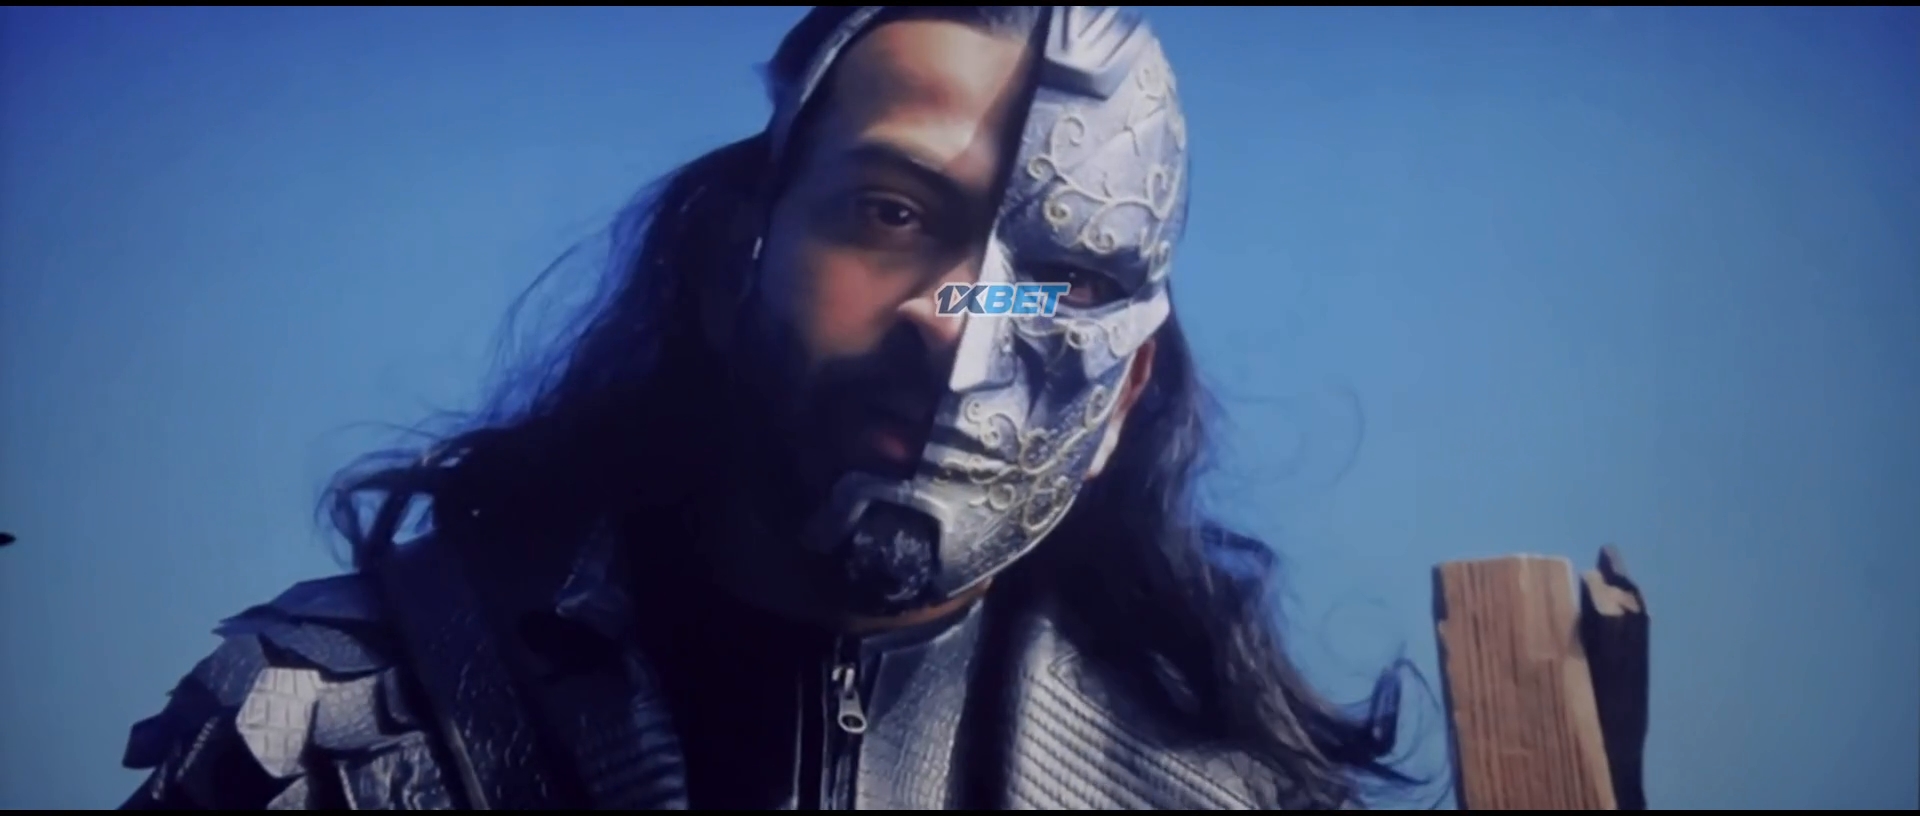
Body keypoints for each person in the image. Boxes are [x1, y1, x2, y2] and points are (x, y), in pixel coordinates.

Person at [118, 6, 1414, 810]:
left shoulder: (1230, 793)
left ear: (1128, 389)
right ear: (727, 262)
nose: (959, 318)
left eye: (1062, 283)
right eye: (892, 213)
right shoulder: (333, 735)